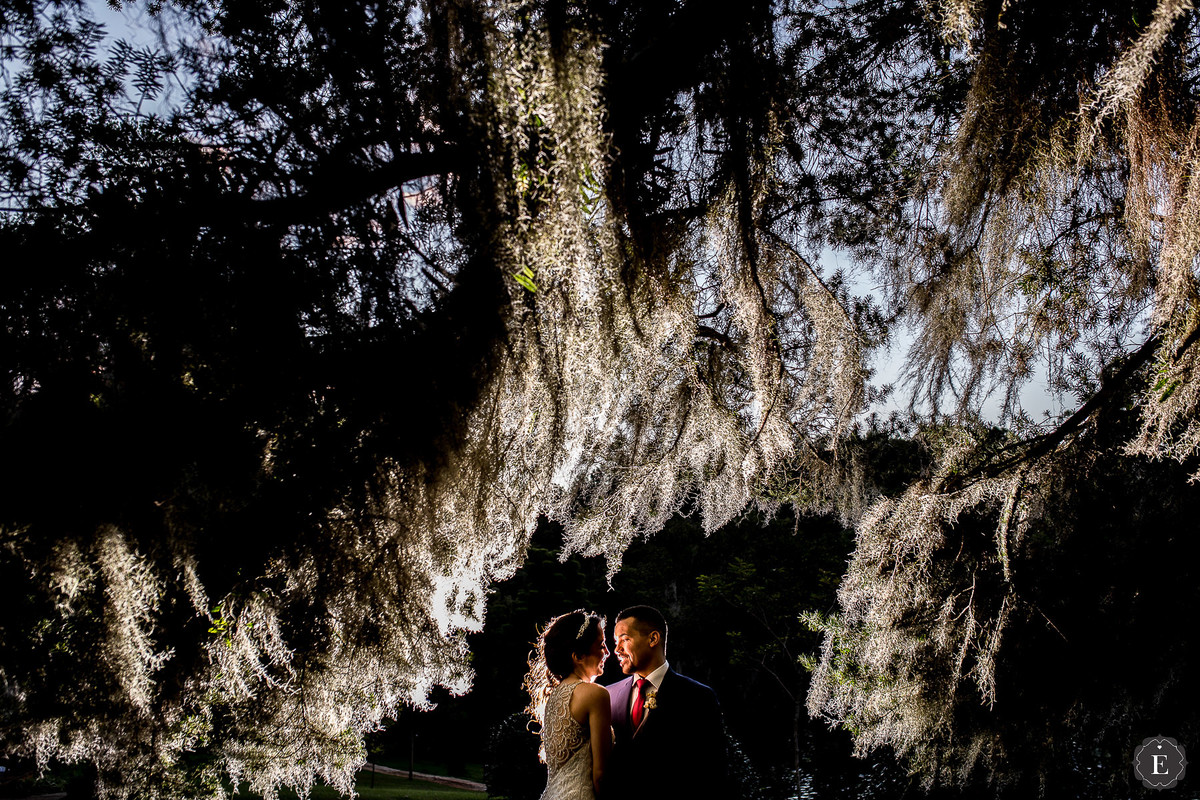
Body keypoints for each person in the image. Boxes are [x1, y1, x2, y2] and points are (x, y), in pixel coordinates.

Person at [606, 604, 727, 798]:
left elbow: (714, 772)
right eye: (615, 642)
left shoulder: (699, 697)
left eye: (625, 639)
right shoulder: (607, 695)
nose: (617, 650)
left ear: (653, 638)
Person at [523, 609, 613, 800]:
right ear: (578, 656)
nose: (607, 652)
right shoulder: (595, 694)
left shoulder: (552, 697)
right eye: (601, 645)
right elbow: (601, 775)